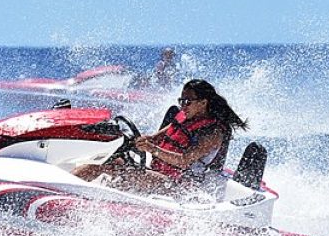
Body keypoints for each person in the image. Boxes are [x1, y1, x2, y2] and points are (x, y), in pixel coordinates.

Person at [73, 79, 247, 195]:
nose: (183, 105)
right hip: (160, 174)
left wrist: (153, 149)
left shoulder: (214, 132)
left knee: (123, 174)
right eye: (181, 101)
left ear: (203, 103)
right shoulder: (185, 117)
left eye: (188, 102)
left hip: (181, 186)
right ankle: (68, 186)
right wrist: (140, 140)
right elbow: (158, 137)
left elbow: (185, 161)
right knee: (110, 162)